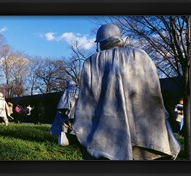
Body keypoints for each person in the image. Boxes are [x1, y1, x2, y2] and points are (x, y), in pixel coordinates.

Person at [72, 24, 180, 160]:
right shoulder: (141, 56)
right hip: (144, 132)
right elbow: (153, 93)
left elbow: (87, 101)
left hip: (106, 135)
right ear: (119, 38)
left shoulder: (92, 62)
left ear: (100, 42)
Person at [50, 80, 79, 146]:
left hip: (68, 112)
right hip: (78, 113)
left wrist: (63, 112)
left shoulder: (67, 91)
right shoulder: (79, 90)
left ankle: (64, 141)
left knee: (64, 126)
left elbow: (63, 104)